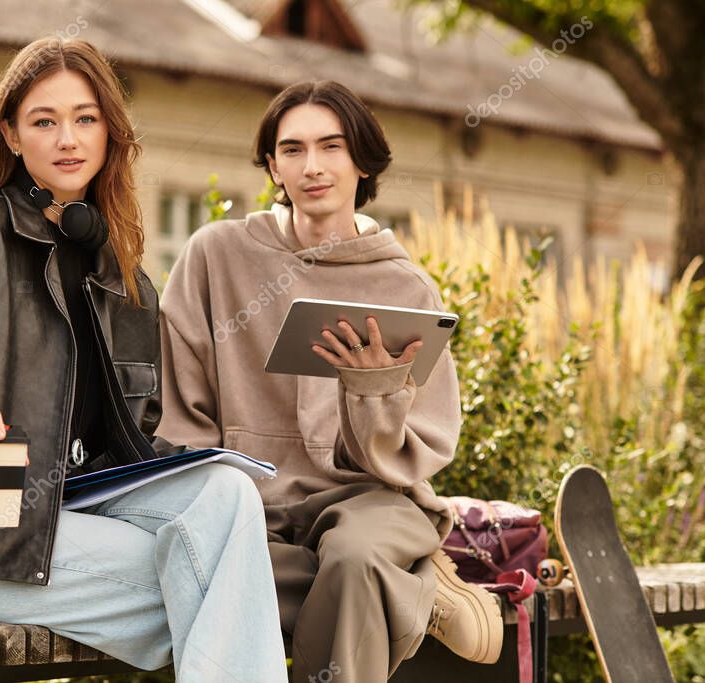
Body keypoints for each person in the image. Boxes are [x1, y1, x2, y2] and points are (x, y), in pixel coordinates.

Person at [0, 38, 288, 682]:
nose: (67, 138)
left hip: (76, 511)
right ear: (13, 136)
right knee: (221, 587)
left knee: (224, 496)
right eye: (44, 121)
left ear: (110, 133)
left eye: (85, 118)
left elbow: (134, 432)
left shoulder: (126, 278)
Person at [157, 80, 503, 682]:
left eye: (331, 147)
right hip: (251, 507)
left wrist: (374, 397)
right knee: (233, 577)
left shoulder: (406, 288)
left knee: (353, 559)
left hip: (371, 503)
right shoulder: (215, 256)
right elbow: (178, 412)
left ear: (361, 161)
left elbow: (417, 453)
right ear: (272, 166)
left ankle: (396, 571)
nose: (312, 167)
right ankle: (415, 587)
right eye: (292, 150)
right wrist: (221, 491)